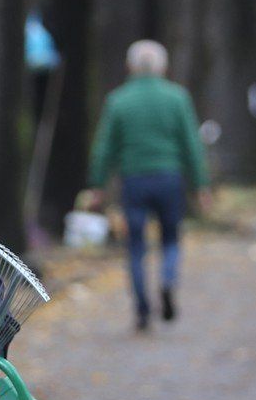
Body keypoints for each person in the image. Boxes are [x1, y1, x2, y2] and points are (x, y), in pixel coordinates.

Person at [79, 40, 211, 331]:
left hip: (134, 180)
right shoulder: (177, 97)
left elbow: (105, 146)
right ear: (163, 67)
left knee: (136, 246)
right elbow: (191, 144)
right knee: (170, 239)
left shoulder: (118, 100)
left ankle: (141, 309)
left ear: (131, 66)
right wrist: (201, 185)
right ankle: (167, 280)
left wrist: (98, 185)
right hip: (169, 178)